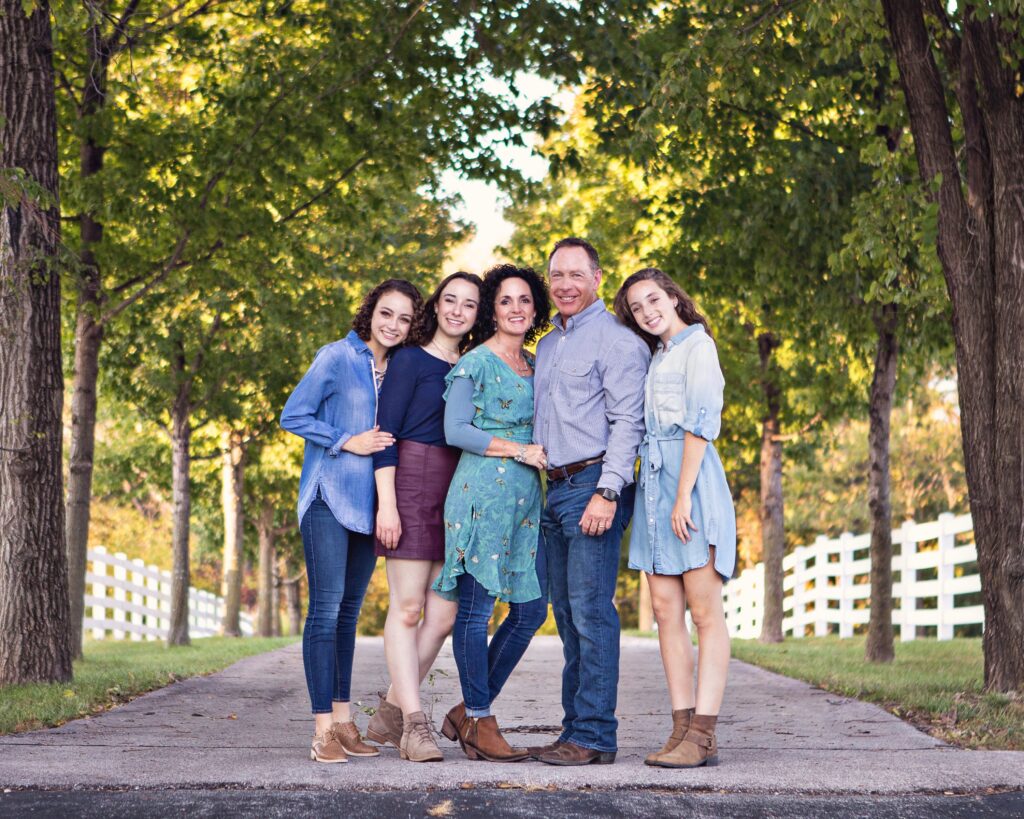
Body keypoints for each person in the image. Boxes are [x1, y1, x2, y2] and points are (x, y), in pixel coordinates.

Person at [280, 278, 421, 764]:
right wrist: (346, 440)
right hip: (327, 498)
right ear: (371, 311)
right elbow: (292, 415)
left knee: (346, 616)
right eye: (387, 313)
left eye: (404, 318)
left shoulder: (398, 368)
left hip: (368, 507)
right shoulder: (337, 356)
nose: (394, 325)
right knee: (323, 612)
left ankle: (343, 723)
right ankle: (321, 731)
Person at [532, 238, 650, 766]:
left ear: (598, 278)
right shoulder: (550, 345)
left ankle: (596, 735)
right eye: (557, 275)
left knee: (591, 612)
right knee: (566, 612)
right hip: (552, 490)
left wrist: (608, 490)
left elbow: (630, 421)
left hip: (592, 486)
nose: (564, 285)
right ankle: (574, 730)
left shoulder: (619, 340)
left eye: (576, 275)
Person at [613, 267, 736, 768]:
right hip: (653, 486)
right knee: (665, 611)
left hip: (691, 483)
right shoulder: (657, 353)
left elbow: (700, 424)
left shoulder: (697, 346)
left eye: (652, 299)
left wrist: (683, 496)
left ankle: (703, 732)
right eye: (636, 308)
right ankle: (681, 727)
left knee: (705, 612)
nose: (646, 312)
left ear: (673, 297)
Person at [432, 264, 551, 762]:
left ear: (535, 310)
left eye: (525, 300)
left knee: (529, 611)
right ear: (492, 310)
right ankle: (480, 718)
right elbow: (455, 430)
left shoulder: (536, 363)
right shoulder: (475, 364)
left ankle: (467, 712)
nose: (517, 308)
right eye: (506, 301)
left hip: (525, 504)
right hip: (481, 496)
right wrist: (518, 450)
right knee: (477, 612)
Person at [366, 272, 483, 763]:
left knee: (443, 614)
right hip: (411, 481)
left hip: (457, 489)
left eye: (469, 304)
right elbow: (384, 434)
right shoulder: (410, 360)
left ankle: (388, 715)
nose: (457, 310)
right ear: (436, 306)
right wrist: (387, 504)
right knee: (408, 608)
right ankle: (414, 725)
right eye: (449, 300)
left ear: (479, 315)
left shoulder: (477, 365)